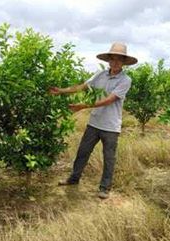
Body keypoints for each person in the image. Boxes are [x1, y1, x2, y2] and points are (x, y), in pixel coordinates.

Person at [49, 42, 137, 199]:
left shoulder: (125, 80)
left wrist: (83, 106)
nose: (115, 62)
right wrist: (61, 91)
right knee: (82, 152)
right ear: (109, 60)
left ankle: (104, 188)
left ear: (123, 63)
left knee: (109, 158)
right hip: (94, 122)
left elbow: (110, 100)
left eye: (119, 60)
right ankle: (73, 179)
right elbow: (83, 86)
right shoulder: (100, 74)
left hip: (111, 126)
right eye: (113, 59)